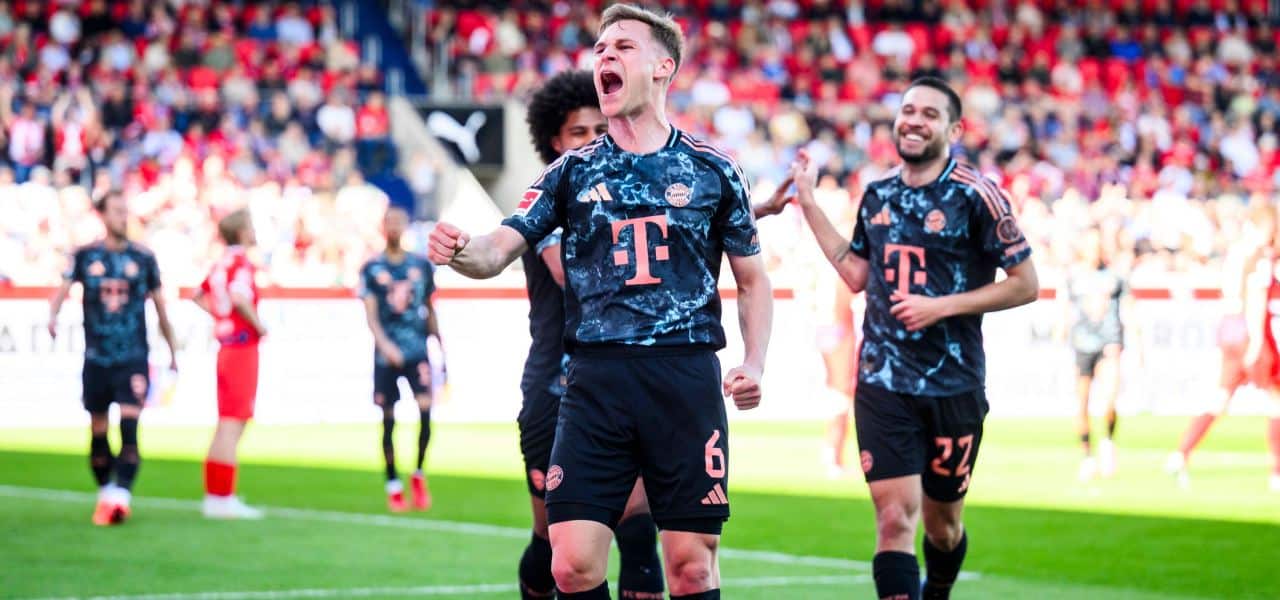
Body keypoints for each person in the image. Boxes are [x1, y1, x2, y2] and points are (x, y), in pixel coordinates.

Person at [428, 5, 773, 598]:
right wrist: (461, 250)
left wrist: (756, 362)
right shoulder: (569, 173)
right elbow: (495, 251)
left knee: (690, 566)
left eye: (623, 47)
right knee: (571, 565)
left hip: (684, 378)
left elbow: (753, 281)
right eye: (600, 49)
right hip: (595, 380)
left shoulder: (714, 170)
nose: (605, 55)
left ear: (663, 67)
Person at [788, 77, 1038, 600]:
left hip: (953, 387)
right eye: (908, 110)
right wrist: (808, 203)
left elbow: (1025, 284)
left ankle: (938, 591)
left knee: (942, 527)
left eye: (929, 114)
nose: (914, 121)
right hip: (882, 382)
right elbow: (857, 274)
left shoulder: (977, 195)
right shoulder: (878, 194)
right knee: (894, 519)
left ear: (954, 130)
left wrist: (942, 306)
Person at [517, 69, 664, 600]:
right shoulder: (546, 201)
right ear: (554, 141)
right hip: (555, 389)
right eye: (577, 132)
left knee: (639, 531)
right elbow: (567, 270)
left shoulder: (633, 194)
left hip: (623, 385)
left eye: (599, 129)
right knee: (552, 545)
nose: (591, 140)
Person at [48, 190, 180, 526]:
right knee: (98, 430)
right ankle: (107, 492)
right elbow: (62, 290)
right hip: (96, 358)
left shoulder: (143, 257)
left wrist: (172, 350)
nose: (123, 217)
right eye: (117, 211)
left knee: (130, 425)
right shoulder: (85, 256)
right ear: (103, 215)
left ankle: (121, 495)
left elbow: (160, 307)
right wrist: (52, 316)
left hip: (133, 356)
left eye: (125, 211)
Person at [1167, 203, 1280, 491]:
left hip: (1229, 330)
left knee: (1220, 397)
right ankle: (1277, 472)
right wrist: (1256, 341)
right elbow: (1255, 298)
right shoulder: (1258, 256)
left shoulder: (1236, 251)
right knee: (1275, 400)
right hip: (1248, 332)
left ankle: (1181, 453)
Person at [359, 206, 442, 512]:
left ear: (405, 226)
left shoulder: (420, 265)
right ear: (383, 227)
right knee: (388, 418)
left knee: (425, 409)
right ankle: (393, 483)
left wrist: (439, 344)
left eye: (398, 222)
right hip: (387, 356)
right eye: (389, 222)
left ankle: (418, 472)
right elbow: (371, 316)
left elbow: (429, 307)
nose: (394, 227)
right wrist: (385, 346)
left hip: (416, 349)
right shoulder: (372, 268)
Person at [194, 208, 268, 519]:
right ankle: (224, 499)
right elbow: (239, 297)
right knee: (233, 423)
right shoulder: (241, 263)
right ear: (241, 232)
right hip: (241, 346)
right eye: (250, 226)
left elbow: (199, 295)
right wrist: (259, 325)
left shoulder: (220, 263)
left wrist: (219, 316)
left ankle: (215, 495)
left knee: (225, 421)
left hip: (225, 345)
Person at [1061, 226, 1130, 481]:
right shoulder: (1074, 278)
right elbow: (1065, 311)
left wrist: (1133, 341)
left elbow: (1128, 308)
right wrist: (1061, 337)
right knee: (1082, 403)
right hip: (1082, 345)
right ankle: (1087, 456)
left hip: (1108, 343)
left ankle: (1108, 442)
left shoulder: (1115, 277)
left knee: (1110, 398)